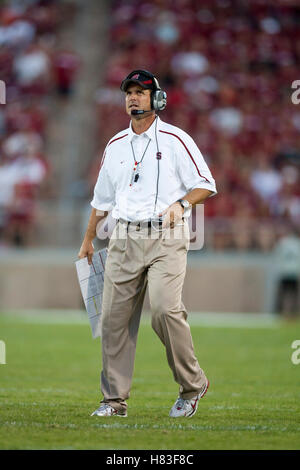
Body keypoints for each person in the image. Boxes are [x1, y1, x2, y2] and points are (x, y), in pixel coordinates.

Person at [78, 69, 217, 418]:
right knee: (113, 320)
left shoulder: (176, 139)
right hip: (123, 237)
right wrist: (87, 239)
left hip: (166, 237)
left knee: (165, 310)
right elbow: (101, 199)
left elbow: (206, 183)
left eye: (141, 92)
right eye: (129, 92)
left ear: (158, 99)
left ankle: (192, 385)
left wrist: (182, 204)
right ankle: (113, 401)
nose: (133, 97)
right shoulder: (114, 145)